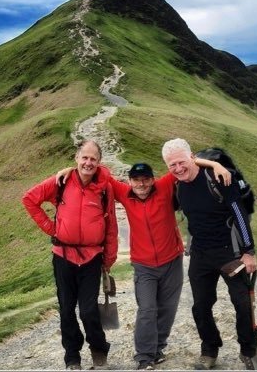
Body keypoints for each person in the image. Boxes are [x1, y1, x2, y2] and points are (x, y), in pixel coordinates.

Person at [56, 158, 230, 370]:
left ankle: (157, 349)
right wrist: (71, 169)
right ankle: (144, 357)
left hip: (172, 261)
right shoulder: (123, 193)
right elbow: (100, 172)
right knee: (147, 309)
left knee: (167, 310)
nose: (141, 184)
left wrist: (215, 165)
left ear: (152, 179)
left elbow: (187, 161)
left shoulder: (165, 185)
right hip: (143, 265)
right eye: (136, 180)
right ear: (129, 181)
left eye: (145, 179)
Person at [161, 138, 257, 370]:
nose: (178, 168)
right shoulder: (178, 185)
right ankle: (209, 349)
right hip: (200, 254)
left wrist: (249, 252)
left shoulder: (219, 178)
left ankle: (249, 351)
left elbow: (239, 214)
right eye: (172, 165)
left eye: (181, 162)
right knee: (201, 306)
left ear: (192, 156)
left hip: (230, 252)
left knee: (243, 303)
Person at [21, 140, 118, 371]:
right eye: (84, 157)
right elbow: (29, 199)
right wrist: (51, 228)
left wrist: (109, 258)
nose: (88, 162)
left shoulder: (104, 187)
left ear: (99, 162)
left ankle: (98, 349)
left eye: (93, 159)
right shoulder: (61, 182)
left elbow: (111, 224)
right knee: (66, 309)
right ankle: (72, 357)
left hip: (92, 258)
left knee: (88, 309)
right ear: (76, 158)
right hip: (63, 256)